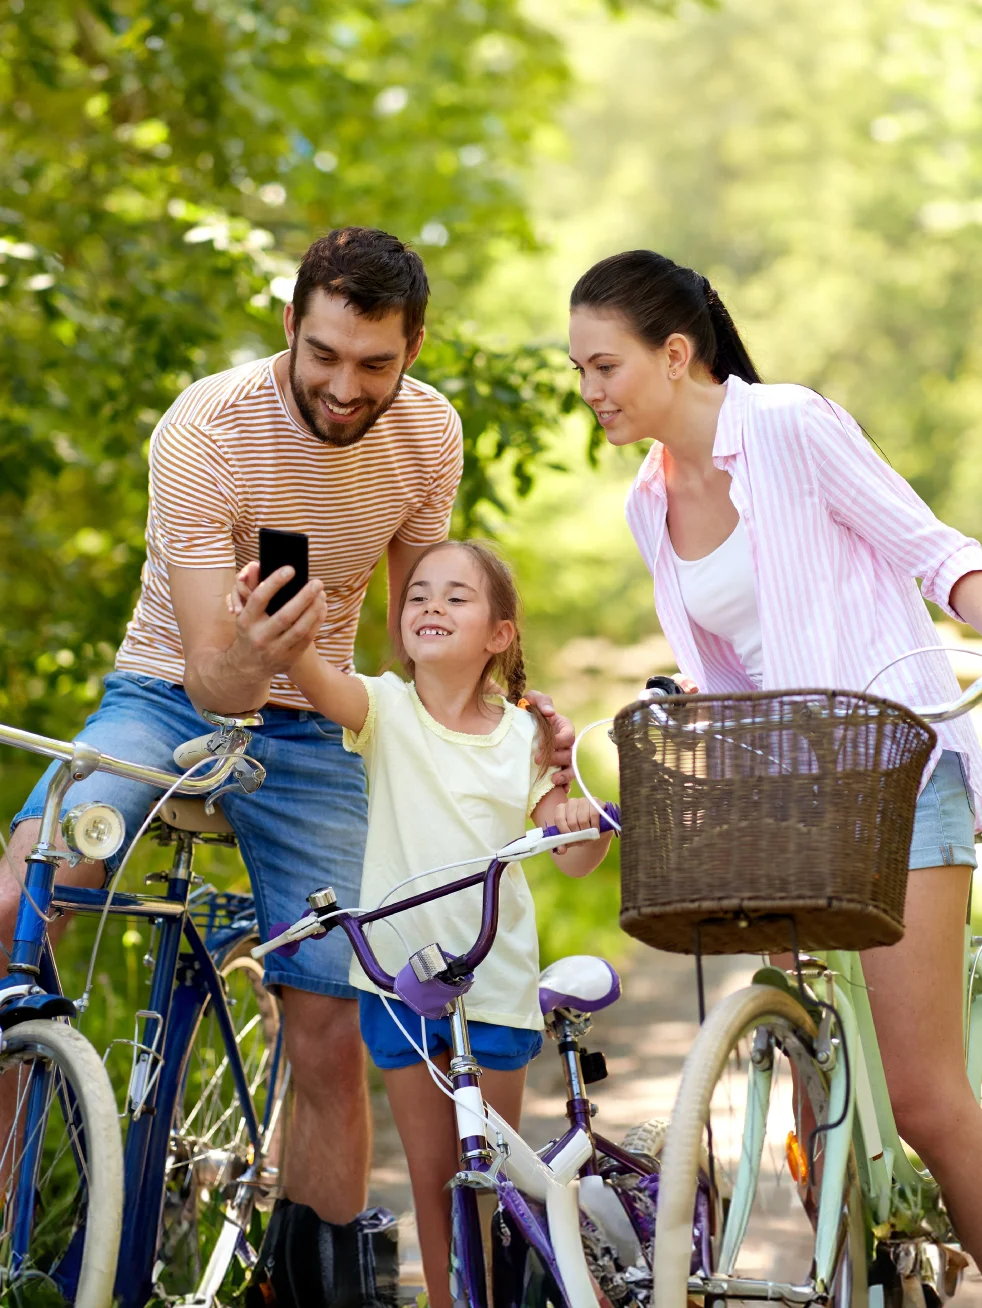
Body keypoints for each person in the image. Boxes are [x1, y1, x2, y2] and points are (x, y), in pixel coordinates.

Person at [2, 227, 572, 1250]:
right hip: (167, 696)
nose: (346, 388)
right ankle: (5, 1199)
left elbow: (418, 645)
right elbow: (214, 671)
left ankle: (311, 1269)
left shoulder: (428, 435)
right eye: (324, 356)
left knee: (328, 1023)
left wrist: (503, 730)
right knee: (18, 898)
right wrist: (259, 649)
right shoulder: (210, 427)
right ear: (288, 328)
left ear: (415, 346)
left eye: (375, 363)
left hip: (316, 727)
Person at [568, 249, 982, 1263]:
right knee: (809, 1089)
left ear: (675, 356)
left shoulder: (790, 427)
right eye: (577, 370)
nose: (589, 392)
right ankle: (845, 1275)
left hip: (898, 773)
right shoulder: (644, 503)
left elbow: (929, 550)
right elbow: (718, 681)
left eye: (603, 367)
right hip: (786, 808)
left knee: (926, 1100)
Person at [231, 538, 612, 1308]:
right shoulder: (384, 709)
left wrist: (584, 818)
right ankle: (443, 1299)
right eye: (417, 595)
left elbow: (571, 859)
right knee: (432, 1182)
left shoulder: (523, 739)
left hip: (494, 986)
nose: (430, 605)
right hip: (398, 986)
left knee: (488, 1184)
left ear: (499, 636)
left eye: (456, 596)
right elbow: (310, 677)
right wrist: (278, 622)